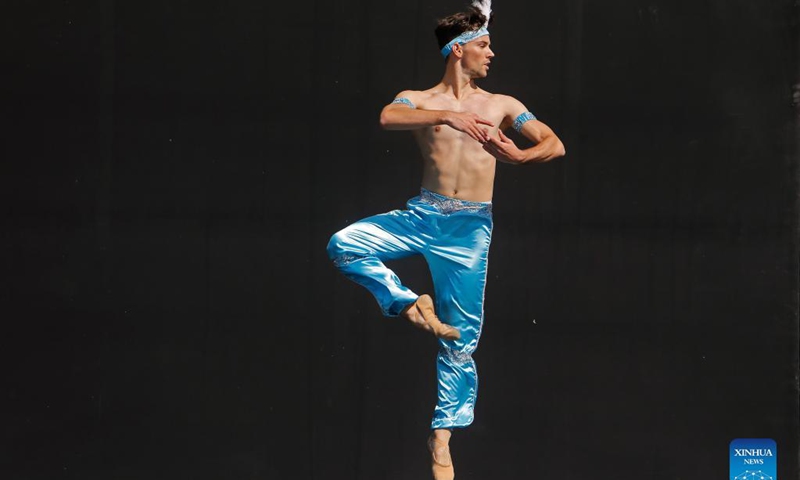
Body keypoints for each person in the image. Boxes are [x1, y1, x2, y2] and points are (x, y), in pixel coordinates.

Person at [326, 2, 565, 478]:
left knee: (461, 336)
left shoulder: (502, 105)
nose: (491, 54)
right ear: (458, 50)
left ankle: (442, 435)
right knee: (344, 243)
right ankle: (407, 303)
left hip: (470, 229)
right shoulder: (417, 99)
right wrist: (450, 117)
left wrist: (518, 157)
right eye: (484, 45)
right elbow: (388, 117)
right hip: (425, 214)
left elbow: (553, 144)